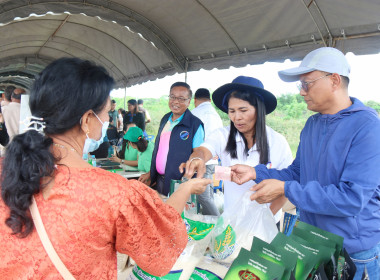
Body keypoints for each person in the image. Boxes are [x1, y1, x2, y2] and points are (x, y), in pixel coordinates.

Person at [0, 57, 211, 279]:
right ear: (87, 119)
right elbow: (159, 241)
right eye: (106, 113)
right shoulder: (112, 193)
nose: (108, 119)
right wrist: (186, 189)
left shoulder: (9, 167)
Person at [229, 47, 380, 279]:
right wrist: (255, 172)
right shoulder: (312, 125)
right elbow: (298, 172)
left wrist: (284, 189)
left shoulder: (367, 127)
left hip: (352, 251)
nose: (301, 92)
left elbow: (352, 198)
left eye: (306, 84)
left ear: (334, 80)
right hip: (312, 242)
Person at [180, 76, 293, 223]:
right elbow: (204, 150)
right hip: (232, 224)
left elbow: (286, 188)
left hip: (266, 224)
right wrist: (197, 158)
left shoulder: (278, 143)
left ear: (259, 110)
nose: (236, 117)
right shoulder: (223, 135)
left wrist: (266, 219)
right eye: (231, 111)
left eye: (243, 110)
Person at [139, 82, 205, 196]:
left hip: (180, 183)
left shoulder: (195, 124)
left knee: (176, 213)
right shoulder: (165, 119)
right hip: (159, 180)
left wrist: (187, 178)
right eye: (173, 97)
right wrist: (151, 173)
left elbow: (198, 152)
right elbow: (159, 150)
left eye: (181, 99)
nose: (175, 102)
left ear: (189, 101)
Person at [191, 88, 223, 215]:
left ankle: (219, 224)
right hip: (214, 159)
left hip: (201, 160)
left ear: (194, 100)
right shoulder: (216, 114)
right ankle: (209, 224)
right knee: (207, 195)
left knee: (203, 197)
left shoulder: (195, 113)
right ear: (209, 100)